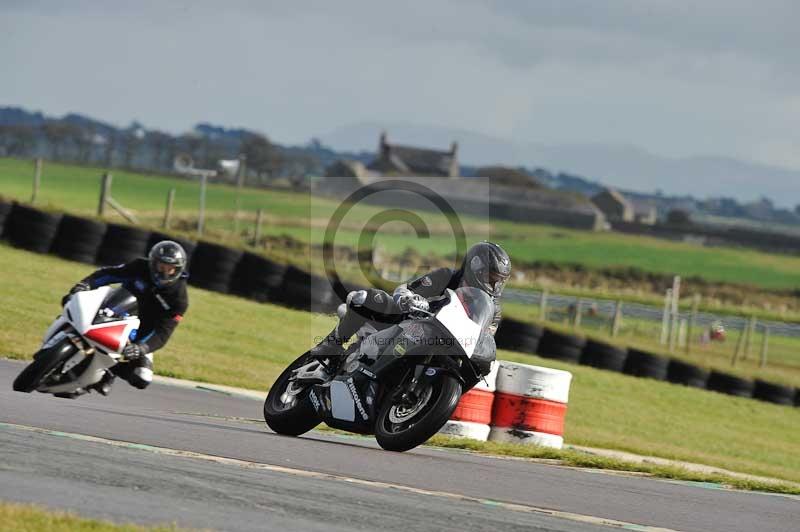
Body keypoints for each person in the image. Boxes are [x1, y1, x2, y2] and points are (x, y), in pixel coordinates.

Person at [310, 241, 511, 374]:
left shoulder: (493, 310)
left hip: (445, 345)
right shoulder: (447, 277)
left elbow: (484, 337)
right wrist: (409, 299)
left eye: (499, 281)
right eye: (491, 278)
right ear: (476, 266)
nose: (494, 286)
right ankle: (330, 344)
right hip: (410, 322)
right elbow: (406, 289)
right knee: (366, 298)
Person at [61, 240, 189, 395]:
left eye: (170, 269)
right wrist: (84, 285)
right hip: (113, 309)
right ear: (152, 262)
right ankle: (62, 331)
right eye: (161, 266)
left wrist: (142, 347)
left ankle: (105, 372)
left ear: (178, 270)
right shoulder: (139, 267)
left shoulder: (179, 299)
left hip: (139, 334)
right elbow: (108, 274)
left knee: (142, 378)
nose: (164, 273)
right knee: (71, 301)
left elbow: (163, 332)